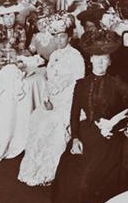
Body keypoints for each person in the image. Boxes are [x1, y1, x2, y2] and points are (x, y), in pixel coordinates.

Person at [50, 30, 128, 203]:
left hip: (110, 138)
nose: (100, 63)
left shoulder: (116, 83)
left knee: (88, 180)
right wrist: (75, 138)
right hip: (85, 135)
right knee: (70, 179)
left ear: (110, 62)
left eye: (104, 59)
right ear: (90, 59)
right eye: (96, 58)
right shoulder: (81, 84)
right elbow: (74, 114)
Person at [18, 16, 85, 186]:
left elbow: (79, 85)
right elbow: (48, 80)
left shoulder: (76, 56)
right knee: (36, 118)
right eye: (56, 37)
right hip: (53, 100)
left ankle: (50, 170)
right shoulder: (54, 55)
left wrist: (61, 101)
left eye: (62, 36)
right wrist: (47, 98)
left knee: (53, 121)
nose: (59, 40)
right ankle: (35, 166)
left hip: (70, 100)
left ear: (69, 37)